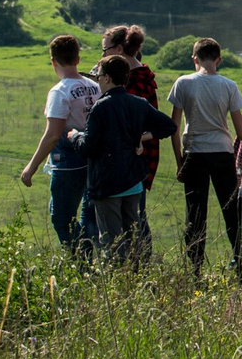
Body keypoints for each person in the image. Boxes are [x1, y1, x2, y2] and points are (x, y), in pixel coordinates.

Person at [83, 56, 178, 270]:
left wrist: (74, 137)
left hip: (108, 185)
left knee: (111, 241)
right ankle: (137, 278)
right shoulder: (138, 103)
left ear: (107, 78)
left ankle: (117, 285)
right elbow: (168, 127)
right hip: (133, 183)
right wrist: (140, 137)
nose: (97, 80)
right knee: (134, 238)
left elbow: (88, 147)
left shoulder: (100, 107)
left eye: (98, 76)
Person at [169, 37, 242, 273]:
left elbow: (174, 127)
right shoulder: (229, 85)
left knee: (195, 215)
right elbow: (240, 128)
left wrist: (179, 161)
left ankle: (195, 272)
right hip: (223, 153)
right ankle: (241, 265)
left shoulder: (183, 83)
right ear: (219, 60)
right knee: (231, 212)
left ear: (195, 59)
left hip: (194, 153)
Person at [20, 34, 101, 255]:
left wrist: (31, 167)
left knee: (61, 217)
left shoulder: (60, 91)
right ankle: (89, 258)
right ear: (78, 58)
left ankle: (79, 263)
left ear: (53, 61)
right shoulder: (95, 87)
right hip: (94, 158)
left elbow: (53, 134)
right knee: (87, 215)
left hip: (68, 163)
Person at [97, 24, 162, 255]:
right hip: (136, 157)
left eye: (105, 50)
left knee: (135, 218)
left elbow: (141, 124)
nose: (102, 55)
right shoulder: (140, 75)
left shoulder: (134, 82)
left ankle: (137, 266)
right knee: (133, 216)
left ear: (119, 49)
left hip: (134, 159)